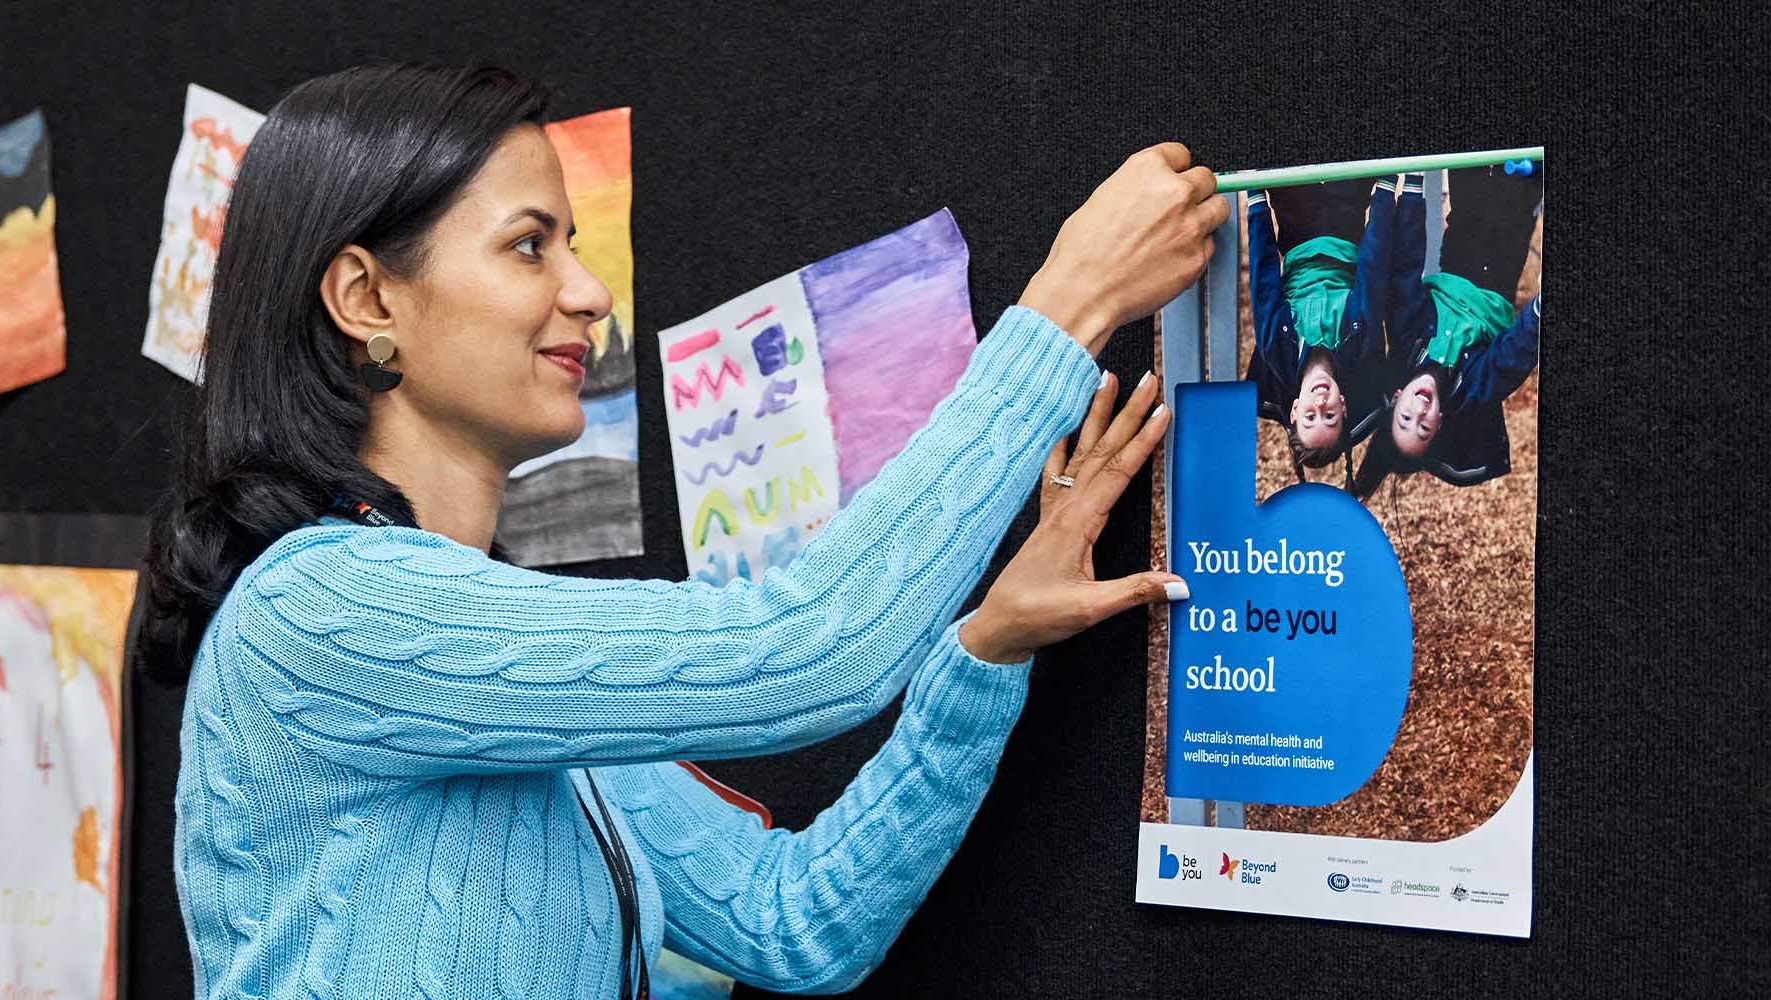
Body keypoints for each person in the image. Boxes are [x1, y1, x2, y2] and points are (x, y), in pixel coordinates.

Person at [141, 63, 1224, 999]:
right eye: (529, 248)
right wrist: (1070, 302)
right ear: (365, 296)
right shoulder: (319, 612)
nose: (589, 292)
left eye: (574, 243)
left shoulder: (504, 675)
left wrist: (986, 651)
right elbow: (811, 646)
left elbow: (793, 921)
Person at [1350, 173, 1542, 500]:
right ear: (1438, 422)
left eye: (1406, 417)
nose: (1420, 412)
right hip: (1501, 263)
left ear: (1396, 397)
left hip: (1461, 247)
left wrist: (1412, 191)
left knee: (1474, 183)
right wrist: (1538, 310)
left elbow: (1406, 271)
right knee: (1519, 183)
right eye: (1423, 427)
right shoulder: (1470, 388)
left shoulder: (1408, 342)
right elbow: (1512, 355)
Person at [1243, 175, 1407, 481]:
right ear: (1343, 407)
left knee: (1294, 163)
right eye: (1329, 417)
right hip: (1344, 227)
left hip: (1296, 232)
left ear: (1294, 410)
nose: (1320, 404)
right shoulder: (1359, 344)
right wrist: (1384, 196)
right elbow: (1372, 274)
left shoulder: (1278, 349)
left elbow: (1264, 282)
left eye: (1309, 417)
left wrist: (1256, 201)